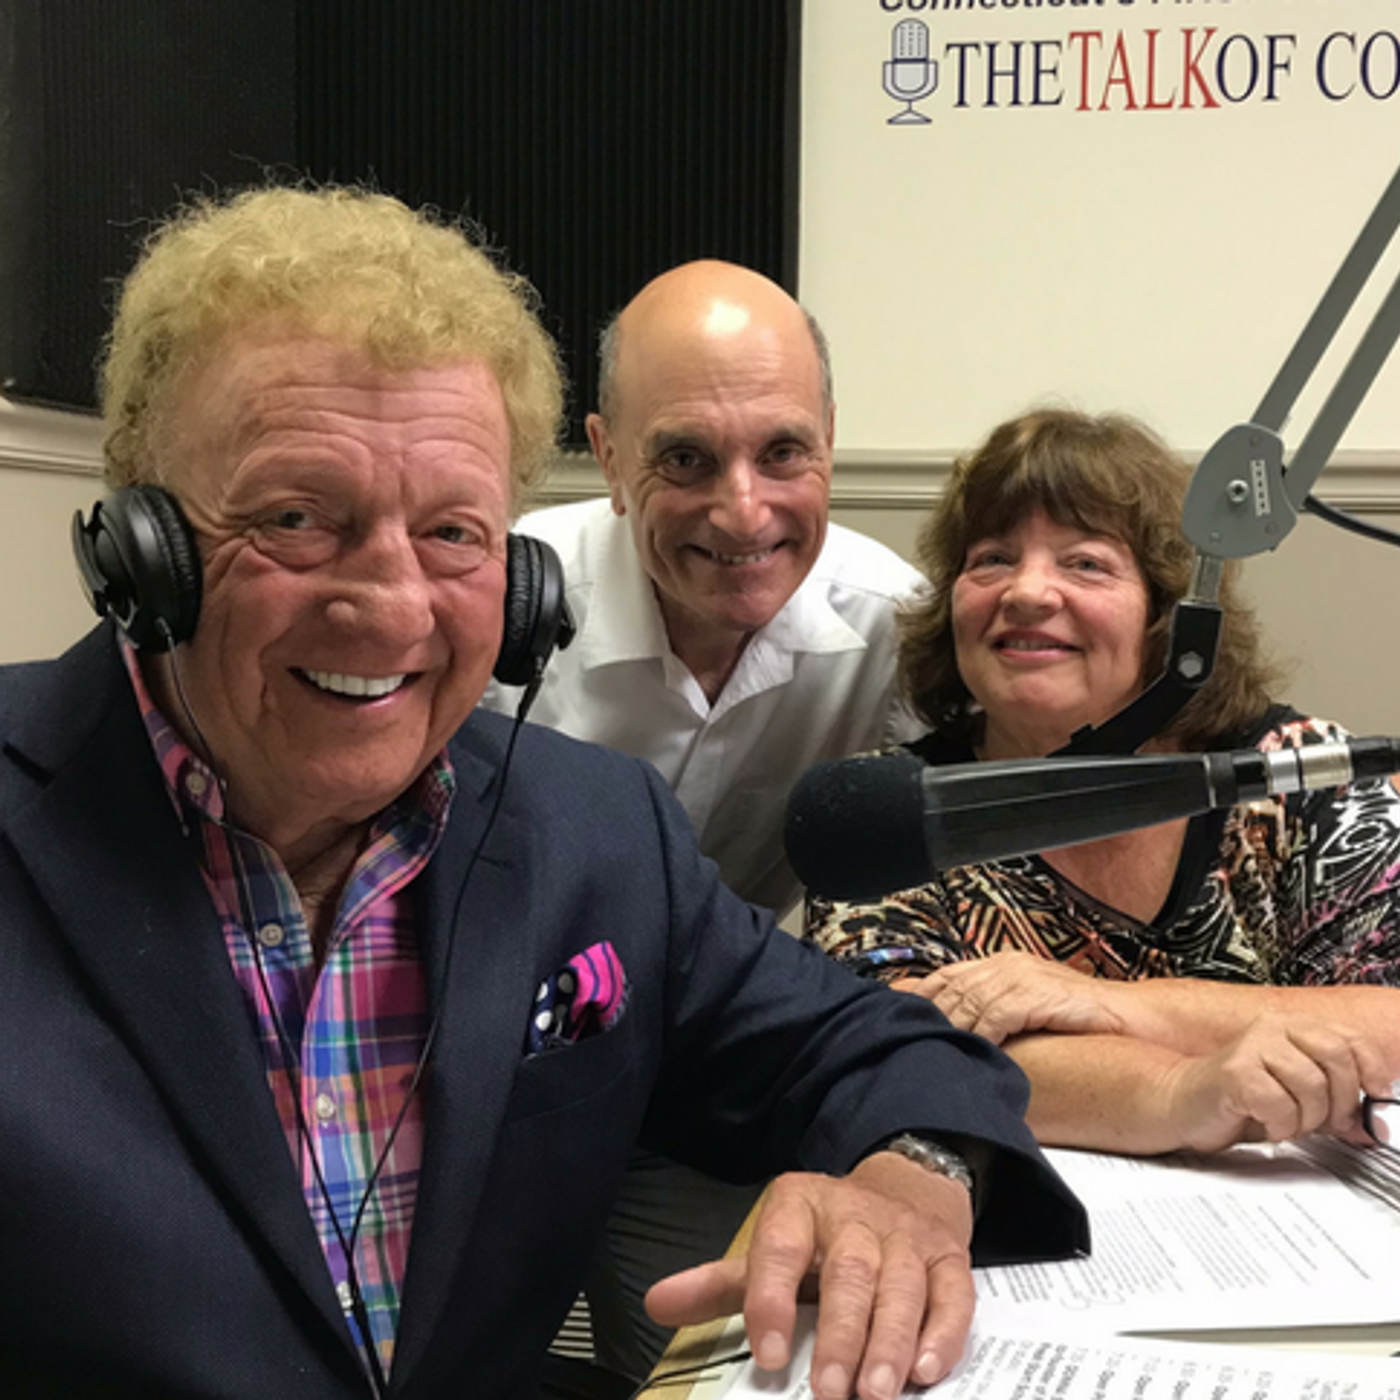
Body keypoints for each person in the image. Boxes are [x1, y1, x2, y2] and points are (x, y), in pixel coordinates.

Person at [0, 187, 1086, 1400]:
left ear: (516, 578)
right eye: (297, 518)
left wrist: (911, 1179)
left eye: (452, 532)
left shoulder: (596, 833)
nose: (394, 608)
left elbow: (876, 1047)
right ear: (142, 548)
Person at [480, 259, 926, 1373]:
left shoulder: (891, 627)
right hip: (482, 1088)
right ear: (609, 456)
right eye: (684, 457)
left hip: (692, 1090)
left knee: (732, 1367)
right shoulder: (491, 604)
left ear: (831, 438)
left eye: (783, 451)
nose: (743, 509)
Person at [805, 408, 1400, 1159]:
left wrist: (1113, 1006)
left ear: (1169, 614)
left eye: (1085, 563)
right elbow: (895, 1051)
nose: (1026, 592)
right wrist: (1185, 1089)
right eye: (992, 559)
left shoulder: (1293, 776)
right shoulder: (884, 816)